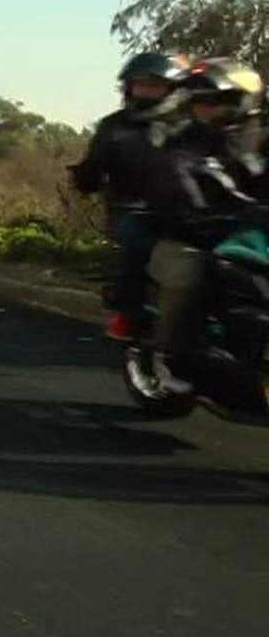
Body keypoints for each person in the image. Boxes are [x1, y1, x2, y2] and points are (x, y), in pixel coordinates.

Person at [144, 57, 269, 392]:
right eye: (199, 101)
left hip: (252, 233)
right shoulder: (183, 141)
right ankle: (171, 358)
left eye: (214, 101)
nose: (205, 109)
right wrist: (195, 211)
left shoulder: (260, 138)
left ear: (242, 101)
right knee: (190, 275)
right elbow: (176, 176)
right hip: (191, 233)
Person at [69, 52, 190, 340]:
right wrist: (86, 177)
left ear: (172, 87)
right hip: (133, 209)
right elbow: (93, 167)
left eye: (155, 85)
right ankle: (128, 313)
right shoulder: (115, 127)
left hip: (187, 209)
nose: (147, 90)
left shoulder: (189, 125)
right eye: (141, 84)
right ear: (129, 88)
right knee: (139, 244)